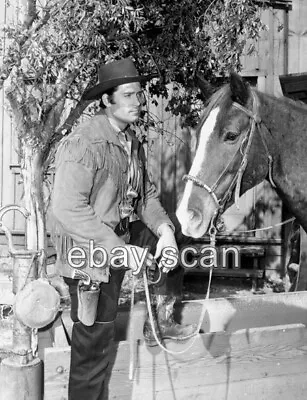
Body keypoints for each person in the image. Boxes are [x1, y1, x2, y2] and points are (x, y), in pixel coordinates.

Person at [51, 58, 196, 400]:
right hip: (88, 257)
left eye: (140, 96)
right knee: (93, 348)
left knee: (179, 238)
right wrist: (118, 248)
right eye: (129, 96)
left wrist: (165, 232)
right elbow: (67, 207)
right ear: (106, 100)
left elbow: (145, 196)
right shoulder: (84, 143)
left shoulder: (132, 142)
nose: (138, 103)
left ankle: (158, 320)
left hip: (118, 244)